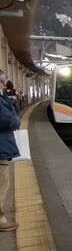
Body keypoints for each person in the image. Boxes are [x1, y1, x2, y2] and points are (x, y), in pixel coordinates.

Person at [0, 69, 20, 232]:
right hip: (1, 148)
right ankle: (0, 220)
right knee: (1, 183)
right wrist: (16, 120)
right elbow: (7, 120)